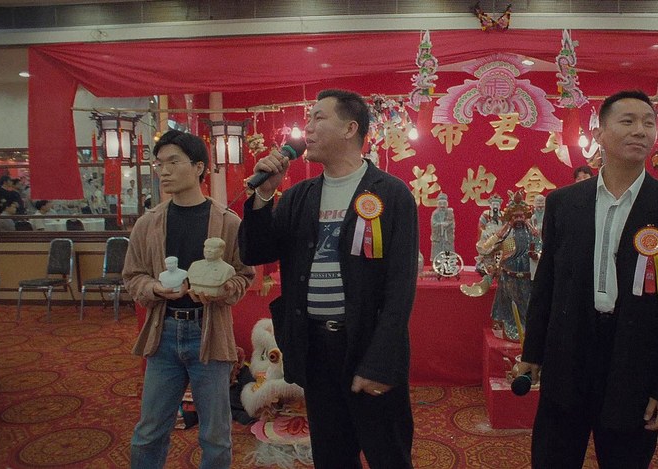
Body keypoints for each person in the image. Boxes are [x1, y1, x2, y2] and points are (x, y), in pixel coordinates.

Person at [515, 90, 658, 468]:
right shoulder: (564, 203)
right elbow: (547, 285)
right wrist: (532, 353)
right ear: (599, 134)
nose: (640, 130)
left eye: (648, 123)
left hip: (636, 363)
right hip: (569, 357)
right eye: (628, 121)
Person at [238, 89, 418, 469]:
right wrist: (264, 196)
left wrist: (381, 362)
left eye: (319, 118)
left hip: (367, 344)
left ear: (350, 129)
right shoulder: (299, 197)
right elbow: (255, 252)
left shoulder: (391, 194)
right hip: (315, 350)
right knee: (332, 456)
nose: (308, 128)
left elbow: (400, 287)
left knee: (388, 454)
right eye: (308, 119)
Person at [122, 129, 254, 469]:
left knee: (216, 436)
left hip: (209, 334)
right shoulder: (148, 224)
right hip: (164, 333)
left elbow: (245, 274)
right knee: (149, 432)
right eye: (159, 164)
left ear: (198, 168)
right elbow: (132, 276)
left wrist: (225, 290)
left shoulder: (227, 222)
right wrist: (155, 289)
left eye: (173, 162)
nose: (163, 171)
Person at [481, 190, 536, 342]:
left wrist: (536, 254)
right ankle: (510, 326)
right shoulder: (506, 233)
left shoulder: (531, 233)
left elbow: (540, 245)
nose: (518, 219)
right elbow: (486, 247)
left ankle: (527, 327)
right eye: (515, 217)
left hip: (527, 276)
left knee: (528, 303)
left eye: (521, 216)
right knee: (510, 304)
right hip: (509, 276)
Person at [430, 192, 455, 261]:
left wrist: (447, 225)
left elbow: (452, 223)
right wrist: (441, 224)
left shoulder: (450, 213)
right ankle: (437, 263)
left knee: (448, 251)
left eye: (444, 203)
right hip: (438, 236)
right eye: (440, 203)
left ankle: (448, 263)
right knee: (437, 250)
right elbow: (433, 224)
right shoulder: (435, 213)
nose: (442, 205)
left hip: (447, 237)